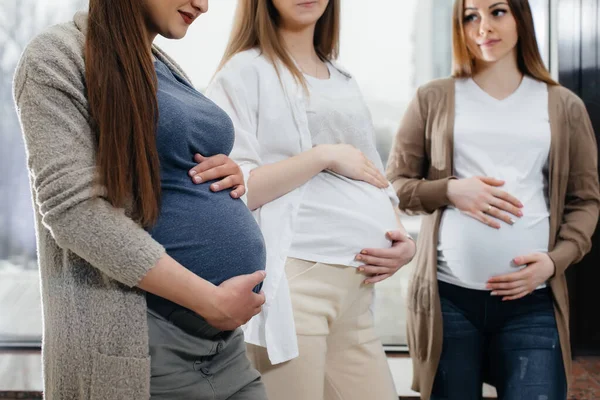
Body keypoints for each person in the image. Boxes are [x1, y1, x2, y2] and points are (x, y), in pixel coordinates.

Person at [13, 1, 269, 399]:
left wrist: (225, 173)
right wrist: (210, 300)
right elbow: (73, 211)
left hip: (222, 345)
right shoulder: (56, 56)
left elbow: (161, 168)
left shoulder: (160, 63)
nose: (203, 5)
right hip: (145, 340)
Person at [386, 0, 600, 399]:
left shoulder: (563, 105)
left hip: (533, 301)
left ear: (521, 17)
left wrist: (555, 262)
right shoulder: (433, 97)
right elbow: (394, 186)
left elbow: (585, 200)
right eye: (471, 16)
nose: (483, 26)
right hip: (448, 299)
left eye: (497, 11)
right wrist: (450, 190)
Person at [206, 1, 416, 399]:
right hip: (298, 285)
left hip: (357, 291)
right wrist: (324, 155)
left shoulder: (342, 79)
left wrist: (402, 239)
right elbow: (235, 187)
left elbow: (373, 173)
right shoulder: (244, 72)